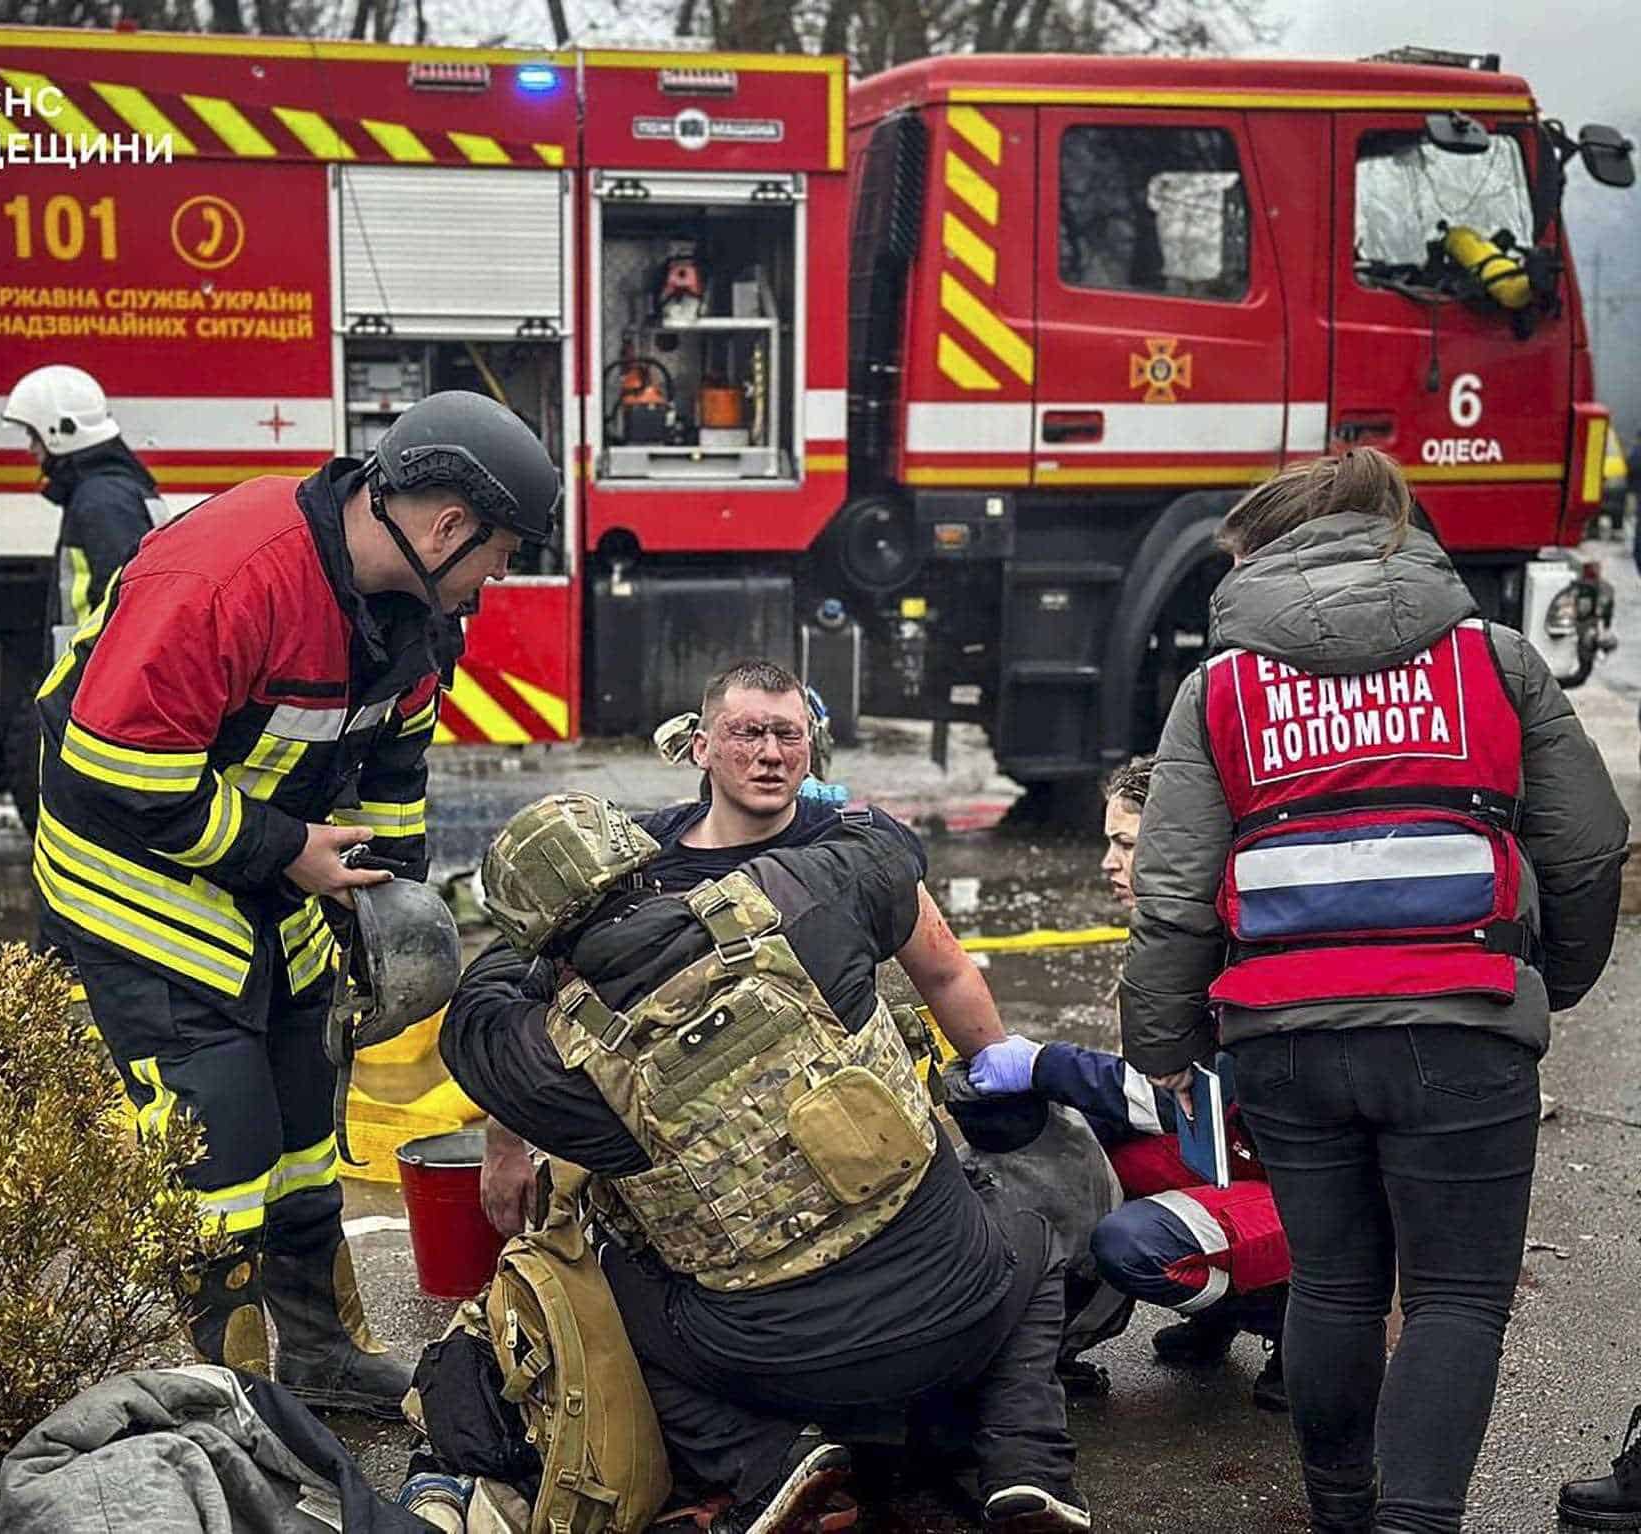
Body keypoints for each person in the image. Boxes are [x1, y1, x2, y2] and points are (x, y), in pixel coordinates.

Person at [1119, 448, 1628, 1534]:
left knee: (1336, 1286)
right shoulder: (1494, 660)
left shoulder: (1222, 687)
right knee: (1454, 1297)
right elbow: (1587, 845)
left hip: (1285, 1036)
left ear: (1278, 547)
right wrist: (1549, 981)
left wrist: (1163, 1038)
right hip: (1463, 1020)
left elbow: (1172, 891)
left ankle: (1343, 1515)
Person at [32, 390, 560, 1414]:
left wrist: (388, 903)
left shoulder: (407, 612)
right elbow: (112, 767)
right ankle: (230, 1404)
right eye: (500, 553)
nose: (499, 579)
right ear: (448, 527)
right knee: (221, 1143)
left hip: (275, 876)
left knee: (304, 1126)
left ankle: (318, 1356)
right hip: (136, 880)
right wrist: (289, 853)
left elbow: (396, 767)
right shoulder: (232, 572)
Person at [445, 791, 1088, 1534]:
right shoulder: (796, 901)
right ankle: (1027, 1468)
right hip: (959, 1305)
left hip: (775, 1364)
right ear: (642, 862)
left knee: (597, 1293)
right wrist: (675, 831)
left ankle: (767, 1462)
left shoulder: (552, 1058)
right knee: (1032, 1236)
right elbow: (887, 843)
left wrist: (537, 933)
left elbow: (473, 1010)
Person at [478, 659, 1012, 1237]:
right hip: (689, 1173)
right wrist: (504, 1142)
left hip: (848, 1137)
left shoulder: (847, 848)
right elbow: (534, 1002)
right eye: (747, 733)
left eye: (788, 734)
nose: (771, 753)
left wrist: (1007, 1089)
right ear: (702, 749)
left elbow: (945, 975)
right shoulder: (635, 861)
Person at [974, 756, 1292, 1411]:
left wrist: (1041, 1064)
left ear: (1178, 846)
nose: (1107, 863)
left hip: (1313, 1197)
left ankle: (1296, 1325)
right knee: (1083, 1147)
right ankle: (1224, 1312)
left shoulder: (1240, 941)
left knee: (1134, 1243)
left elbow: (1176, 1100)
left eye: (1125, 844)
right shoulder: (1179, 933)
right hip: (1242, 1153)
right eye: (1108, 842)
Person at [1, 365, 170, 668]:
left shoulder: (102, 501)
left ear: (58, 430)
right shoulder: (109, 492)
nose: (31, 449)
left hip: (96, 672)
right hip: (94, 670)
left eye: (33, 436)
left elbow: (126, 605)